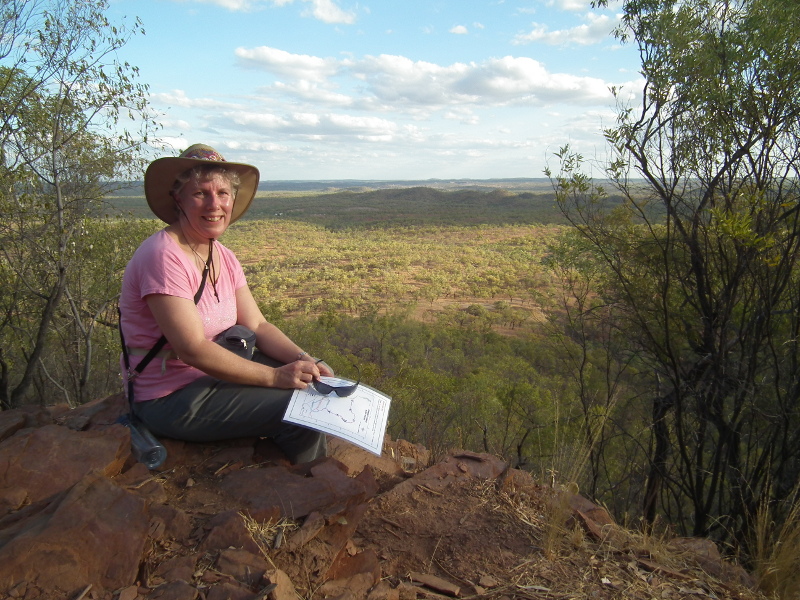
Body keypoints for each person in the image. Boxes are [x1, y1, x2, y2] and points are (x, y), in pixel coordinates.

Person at [119, 144, 331, 464]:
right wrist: (275, 378)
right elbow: (191, 348)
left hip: (215, 378)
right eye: (200, 193)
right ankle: (310, 485)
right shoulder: (164, 256)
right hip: (171, 398)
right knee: (304, 411)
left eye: (223, 193)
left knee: (313, 386)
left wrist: (307, 359)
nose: (214, 204)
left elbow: (258, 325)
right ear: (178, 199)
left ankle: (289, 469)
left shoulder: (223, 256)